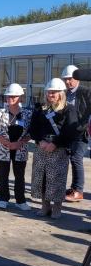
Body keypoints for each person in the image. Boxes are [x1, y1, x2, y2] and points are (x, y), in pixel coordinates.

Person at [30, 78, 79, 218]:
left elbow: (71, 130)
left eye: (54, 93)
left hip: (59, 150)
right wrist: (39, 141)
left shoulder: (69, 109)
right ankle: (45, 206)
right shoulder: (40, 109)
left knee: (57, 179)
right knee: (42, 178)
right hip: (42, 149)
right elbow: (33, 128)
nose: (50, 95)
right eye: (49, 92)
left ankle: (57, 208)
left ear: (61, 93)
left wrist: (56, 143)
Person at [0, 83, 32, 210]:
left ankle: (20, 200)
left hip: (20, 149)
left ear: (20, 97)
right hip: (3, 149)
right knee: (3, 175)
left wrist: (19, 143)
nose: (10, 99)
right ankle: (3, 198)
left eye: (14, 96)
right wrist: (7, 143)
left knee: (19, 176)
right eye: (8, 96)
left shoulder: (27, 114)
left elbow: (31, 132)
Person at [60, 65, 91, 202]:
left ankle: (78, 190)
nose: (67, 82)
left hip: (82, 132)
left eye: (70, 79)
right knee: (67, 159)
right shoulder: (64, 93)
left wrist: (84, 126)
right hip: (68, 133)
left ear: (77, 78)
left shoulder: (86, 92)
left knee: (76, 158)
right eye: (65, 79)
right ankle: (73, 188)